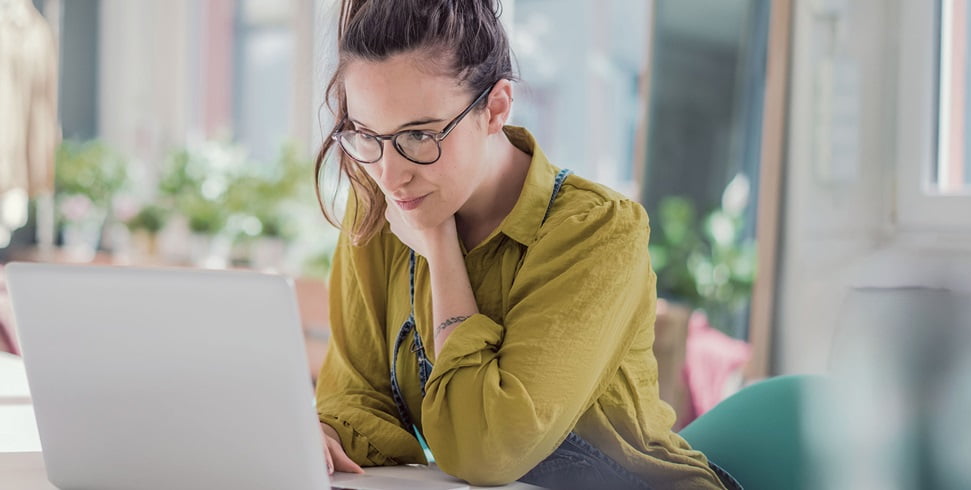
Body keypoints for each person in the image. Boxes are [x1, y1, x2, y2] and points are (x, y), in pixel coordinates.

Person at [311, 1, 742, 488]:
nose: (390, 173)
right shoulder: (382, 203)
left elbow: (486, 450)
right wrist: (327, 433)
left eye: (418, 135)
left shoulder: (598, 232)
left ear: (495, 108)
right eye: (368, 135)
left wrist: (439, 246)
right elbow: (357, 395)